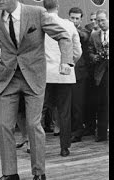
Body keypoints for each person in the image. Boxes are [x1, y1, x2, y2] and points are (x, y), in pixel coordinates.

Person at [0, 0, 74, 179]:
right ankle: (10, 174)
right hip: (8, 77)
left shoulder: (37, 13)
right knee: (4, 125)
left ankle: (39, 173)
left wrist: (65, 60)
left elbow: (63, 36)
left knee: (33, 124)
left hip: (33, 76)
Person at [44, 1, 82, 157]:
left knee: (38, 112)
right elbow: (77, 51)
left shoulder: (41, 23)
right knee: (64, 112)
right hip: (64, 75)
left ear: (44, 7)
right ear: (57, 6)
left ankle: (34, 145)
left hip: (44, 74)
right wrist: (69, 64)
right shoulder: (68, 25)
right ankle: (65, 147)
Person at [68, 7, 90, 143]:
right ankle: (70, 131)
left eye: (77, 18)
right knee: (67, 105)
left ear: (81, 19)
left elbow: (84, 35)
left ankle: (77, 132)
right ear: (69, 17)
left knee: (77, 105)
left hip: (79, 74)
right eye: (72, 18)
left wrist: (69, 28)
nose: (74, 20)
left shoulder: (84, 31)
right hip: (65, 71)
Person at [87, 9, 109, 142]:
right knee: (102, 102)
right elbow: (89, 51)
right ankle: (101, 134)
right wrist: (94, 57)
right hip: (101, 73)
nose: (100, 23)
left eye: (102, 20)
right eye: (98, 20)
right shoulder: (94, 35)